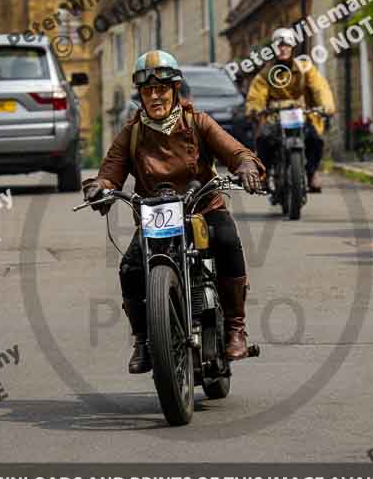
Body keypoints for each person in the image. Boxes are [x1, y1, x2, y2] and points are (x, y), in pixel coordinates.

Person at [83, 50, 266, 374]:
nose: (155, 96)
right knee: (130, 269)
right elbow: (110, 171)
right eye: (148, 90)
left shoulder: (197, 121)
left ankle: (235, 328)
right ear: (140, 94)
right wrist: (100, 187)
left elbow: (234, 150)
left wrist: (247, 165)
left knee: (226, 240)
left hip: (202, 207)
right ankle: (143, 340)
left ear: (175, 90)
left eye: (162, 89)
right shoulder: (133, 131)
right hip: (156, 215)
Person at [245, 27, 335, 193]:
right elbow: (256, 95)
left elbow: (320, 88)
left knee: (316, 139)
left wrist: (326, 106)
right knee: (263, 139)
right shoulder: (265, 73)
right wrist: (254, 109)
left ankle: (311, 173)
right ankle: (264, 175)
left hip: (301, 115)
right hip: (274, 117)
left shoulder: (306, 68)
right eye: (279, 45)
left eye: (286, 45)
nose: (283, 48)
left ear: (292, 47)